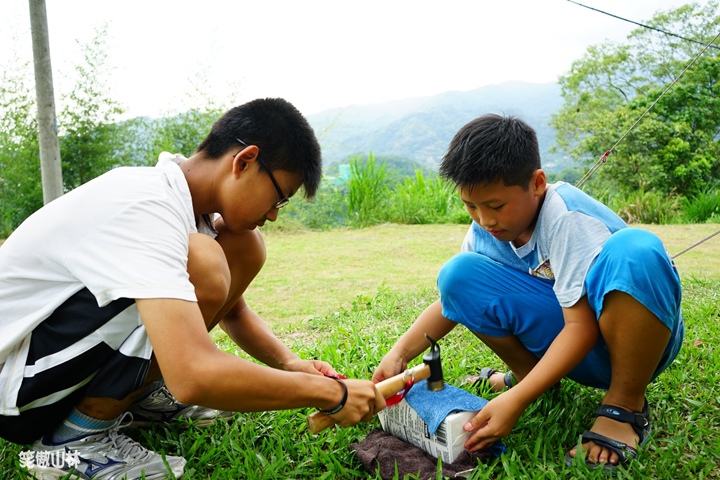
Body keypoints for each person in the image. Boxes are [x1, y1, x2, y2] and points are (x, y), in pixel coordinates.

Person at [0, 98, 385, 479]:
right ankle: (73, 442)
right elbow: (194, 375)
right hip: (13, 389)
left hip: (44, 369)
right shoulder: (147, 206)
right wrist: (332, 395)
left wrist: (288, 363)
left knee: (240, 247)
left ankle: (137, 396)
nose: (272, 214)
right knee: (204, 259)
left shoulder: (185, 205)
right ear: (245, 160)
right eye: (278, 197)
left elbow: (234, 311)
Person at [372, 114, 683, 471]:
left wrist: (515, 401)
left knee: (637, 248)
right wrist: (400, 353)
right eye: (470, 206)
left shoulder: (566, 218)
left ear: (537, 183)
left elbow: (580, 327)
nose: (484, 220)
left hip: (637, 345)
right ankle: (530, 375)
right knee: (458, 275)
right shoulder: (484, 234)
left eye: (496, 206)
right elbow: (451, 302)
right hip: (575, 346)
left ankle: (624, 406)